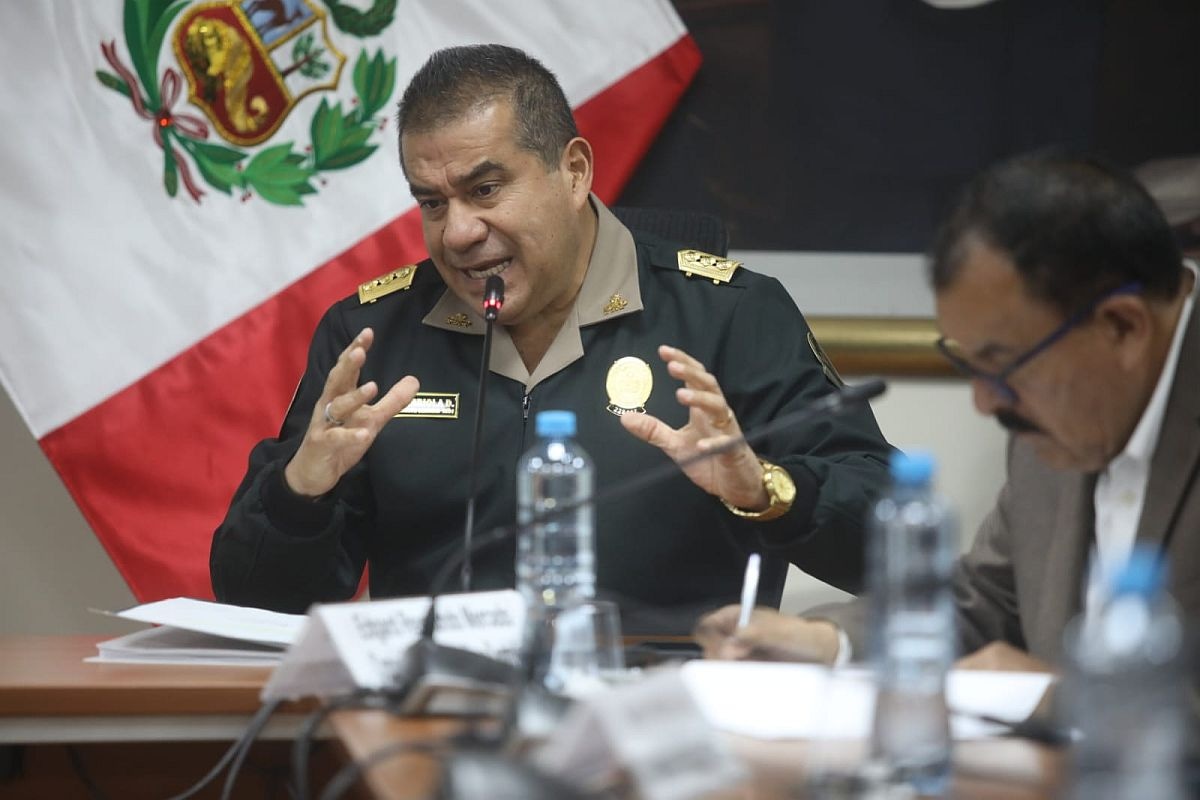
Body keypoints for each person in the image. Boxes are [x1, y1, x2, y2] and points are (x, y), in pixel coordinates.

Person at [210, 44, 893, 632]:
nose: (457, 233)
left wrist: (764, 488)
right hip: (434, 725)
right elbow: (252, 601)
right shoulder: (371, 336)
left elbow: (888, 544)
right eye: (432, 202)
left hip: (669, 728)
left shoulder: (730, 316)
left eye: (485, 189)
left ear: (573, 172)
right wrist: (300, 494)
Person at [696, 153, 1200, 667]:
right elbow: (986, 600)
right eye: (969, 364)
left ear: (1122, 328)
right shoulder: (1059, 415)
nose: (984, 402)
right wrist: (829, 640)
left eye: (1001, 365)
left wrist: (1061, 701)